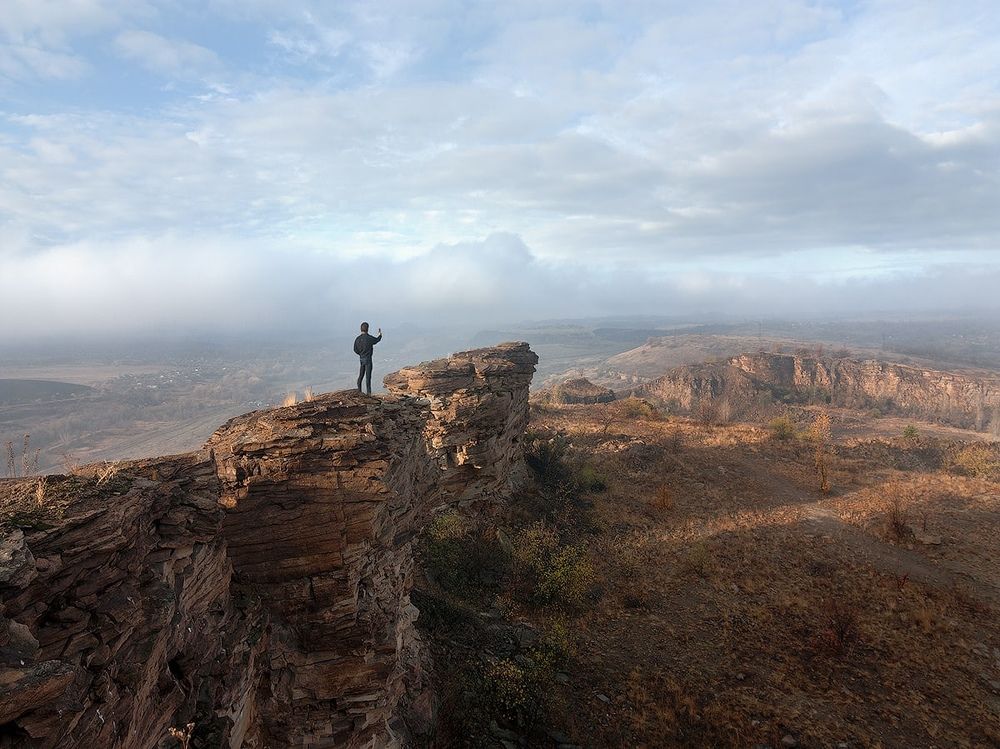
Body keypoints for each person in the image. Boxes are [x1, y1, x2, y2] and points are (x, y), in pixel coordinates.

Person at [353, 322, 382, 395]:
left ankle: (359, 392)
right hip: (368, 359)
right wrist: (380, 335)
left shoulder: (357, 339)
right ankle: (369, 394)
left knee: (360, 376)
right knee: (368, 378)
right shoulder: (369, 338)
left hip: (361, 359)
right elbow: (376, 340)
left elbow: (355, 349)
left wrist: (360, 354)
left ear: (361, 329)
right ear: (367, 329)